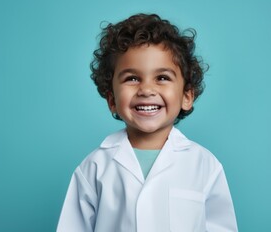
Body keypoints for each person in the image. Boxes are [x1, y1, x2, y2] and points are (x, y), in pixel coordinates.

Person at [57, 13, 238, 232]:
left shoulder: (205, 166)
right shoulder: (94, 168)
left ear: (186, 96)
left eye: (162, 78)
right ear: (112, 100)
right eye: (132, 78)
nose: (146, 90)